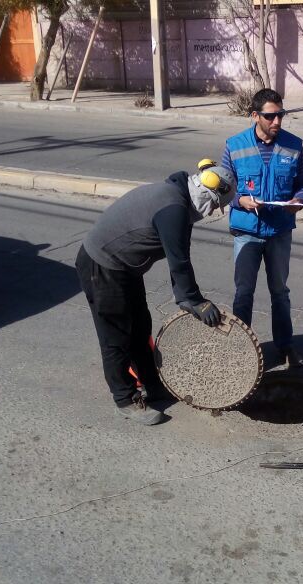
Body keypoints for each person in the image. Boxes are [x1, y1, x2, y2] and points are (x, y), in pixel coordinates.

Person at [76, 160, 236, 425]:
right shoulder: (173, 208)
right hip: (102, 265)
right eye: (215, 205)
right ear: (208, 192)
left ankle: (152, 382)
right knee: (116, 335)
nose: (212, 212)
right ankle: (125, 399)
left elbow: (179, 255)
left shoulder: (181, 199)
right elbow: (179, 261)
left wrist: (187, 298)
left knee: (140, 327)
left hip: (124, 268)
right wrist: (194, 300)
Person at [223, 88, 303, 369]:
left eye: (280, 115)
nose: (277, 121)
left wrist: (298, 200)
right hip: (246, 232)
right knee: (243, 293)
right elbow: (223, 187)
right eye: (270, 116)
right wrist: (240, 200)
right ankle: (239, 351)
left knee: (280, 292)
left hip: (279, 232)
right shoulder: (235, 145)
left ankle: (285, 347)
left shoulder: (294, 145)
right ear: (255, 115)